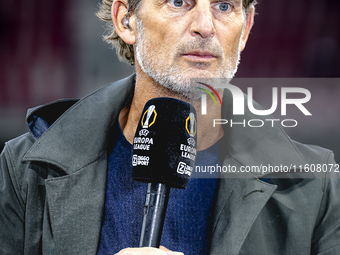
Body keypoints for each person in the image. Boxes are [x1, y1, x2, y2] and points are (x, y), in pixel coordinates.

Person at [0, 0, 339, 254]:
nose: (206, 26)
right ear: (126, 20)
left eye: (224, 6)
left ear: (246, 28)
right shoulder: (24, 168)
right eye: (179, 2)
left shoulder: (317, 187)